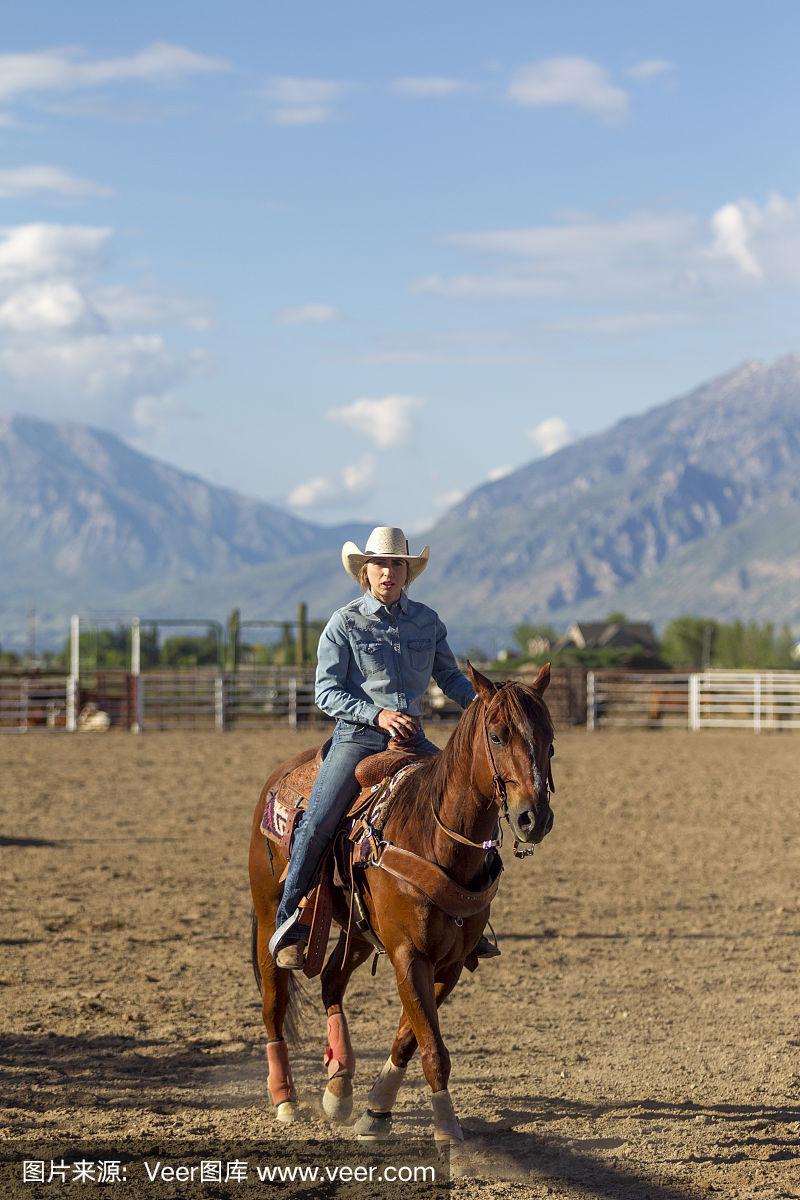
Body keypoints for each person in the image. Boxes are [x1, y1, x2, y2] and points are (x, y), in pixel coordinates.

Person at [269, 525, 496, 970]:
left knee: (472, 803)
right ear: (364, 571)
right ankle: (290, 916)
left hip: (412, 740)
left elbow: (448, 677)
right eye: (380, 564)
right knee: (318, 819)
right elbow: (326, 691)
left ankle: (472, 916)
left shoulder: (427, 621)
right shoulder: (345, 623)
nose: (388, 572)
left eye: (396, 564)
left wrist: (487, 703)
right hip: (358, 738)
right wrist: (376, 715)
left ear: (407, 572)